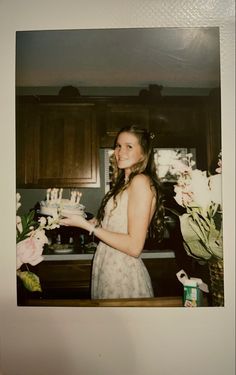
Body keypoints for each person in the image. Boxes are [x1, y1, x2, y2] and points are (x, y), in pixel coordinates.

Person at [59, 125, 165, 299]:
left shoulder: (140, 181)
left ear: (143, 153)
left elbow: (134, 246)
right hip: (107, 265)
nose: (120, 152)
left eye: (129, 146)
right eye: (118, 146)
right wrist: (91, 222)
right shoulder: (125, 183)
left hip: (122, 272)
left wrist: (88, 227)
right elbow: (117, 226)